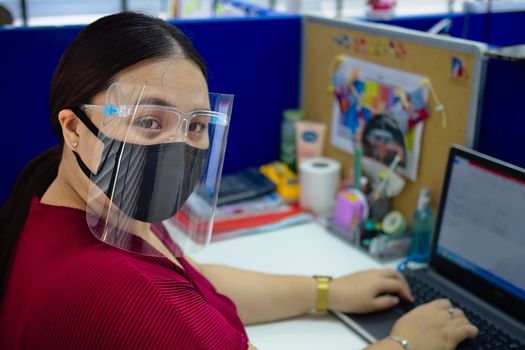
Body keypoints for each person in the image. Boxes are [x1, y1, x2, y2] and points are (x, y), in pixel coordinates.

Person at [0, 12, 478, 350]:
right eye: (149, 121)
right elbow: (159, 302)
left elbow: (192, 282)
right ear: (73, 128)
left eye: (195, 125)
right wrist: (407, 342)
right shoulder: (109, 288)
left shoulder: (80, 202)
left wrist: (326, 291)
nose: (179, 146)